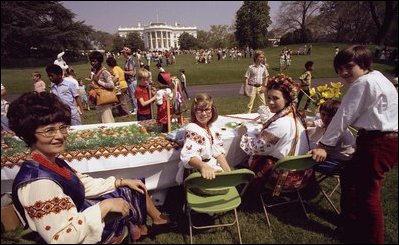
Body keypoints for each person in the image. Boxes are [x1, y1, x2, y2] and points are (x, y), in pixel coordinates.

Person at [7, 91, 176, 243]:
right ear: (29, 134)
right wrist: (104, 207)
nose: (59, 136)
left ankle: (139, 226)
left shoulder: (49, 162)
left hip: (79, 215)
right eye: (49, 130)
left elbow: (80, 183)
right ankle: (133, 229)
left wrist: (120, 182)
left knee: (130, 187)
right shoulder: (39, 183)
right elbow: (61, 239)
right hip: (76, 233)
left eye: (62, 128)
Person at [310, 45, 398, 244]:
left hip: (380, 142)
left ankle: (372, 239)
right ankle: (351, 224)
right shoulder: (378, 78)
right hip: (381, 140)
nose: (343, 73)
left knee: (368, 194)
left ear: (364, 63)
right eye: (339, 69)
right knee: (349, 176)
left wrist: (324, 145)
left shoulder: (364, 82)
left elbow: (343, 116)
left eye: (348, 67)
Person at [237, 74, 310, 192]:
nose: (270, 102)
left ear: (287, 99)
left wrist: (247, 131)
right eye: (269, 97)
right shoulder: (296, 115)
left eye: (275, 98)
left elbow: (255, 148)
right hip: (303, 174)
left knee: (243, 157)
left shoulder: (281, 124)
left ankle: (241, 184)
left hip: (285, 178)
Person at [176, 93, 231, 184]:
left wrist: (229, 173)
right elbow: (189, 156)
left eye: (207, 109)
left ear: (213, 110)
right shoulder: (192, 128)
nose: (203, 113)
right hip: (196, 174)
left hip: (211, 168)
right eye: (199, 110)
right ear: (194, 111)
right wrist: (203, 166)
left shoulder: (212, 128)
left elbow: (218, 154)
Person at [307, 99, 355, 174]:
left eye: (330, 116)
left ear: (338, 117)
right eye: (323, 114)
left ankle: (303, 180)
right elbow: (319, 122)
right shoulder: (332, 123)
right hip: (333, 157)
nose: (325, 118)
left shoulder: (337, 131)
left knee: (306, 157)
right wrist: (309, 123)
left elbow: (321, 149)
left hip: (339, 164)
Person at [88, 51, 115, 123]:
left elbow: (111, 85)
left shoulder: (104, 72)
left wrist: (98, 81)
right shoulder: (96, 71)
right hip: (99, 100)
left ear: (100, 61)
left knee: (107, 121)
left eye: (94, 61)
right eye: (91, 61)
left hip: (105, 100)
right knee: (102, 121)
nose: (92, 63)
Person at [120, 46, 137, 115]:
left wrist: (122, 72)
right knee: (131, 96)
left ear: (127, 53)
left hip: (132, 81)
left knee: (133, 96)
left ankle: (136, 109)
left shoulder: (130, 61)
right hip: (129, 81)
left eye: (123, 53)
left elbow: (132, 72)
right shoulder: (127, 61)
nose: (123, 54)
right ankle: (133, 109)